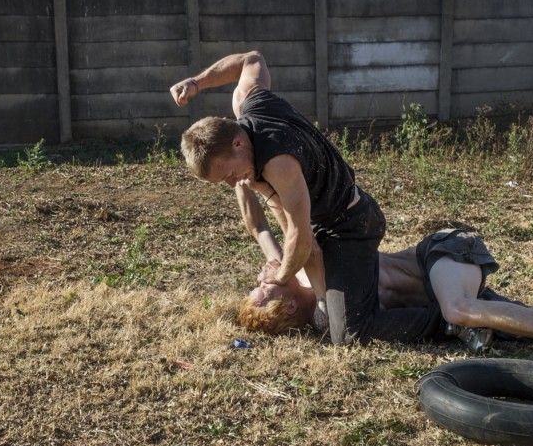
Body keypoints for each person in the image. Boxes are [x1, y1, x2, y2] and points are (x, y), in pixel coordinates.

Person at [173, 50, 433, 346]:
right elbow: (252, 59)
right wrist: (197, 82)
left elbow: (301, 239)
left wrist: (281, 276)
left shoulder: (279, 166)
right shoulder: (250, 102)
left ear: (237, 143)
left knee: (351, 333)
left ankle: (445, 321)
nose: (234, 183)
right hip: (324, 220)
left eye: (230, 174)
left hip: (350, 223)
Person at [239, 224, 533, 378]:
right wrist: (281, 265)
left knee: (458, 309)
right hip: (442, 294)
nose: (261, 277)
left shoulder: (301, 275)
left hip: (442, 254)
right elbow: (303, 238)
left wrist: (244, 182)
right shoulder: (327, 309)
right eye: (263, 288)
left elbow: (260, 227)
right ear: (288, 306)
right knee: (524, 323)